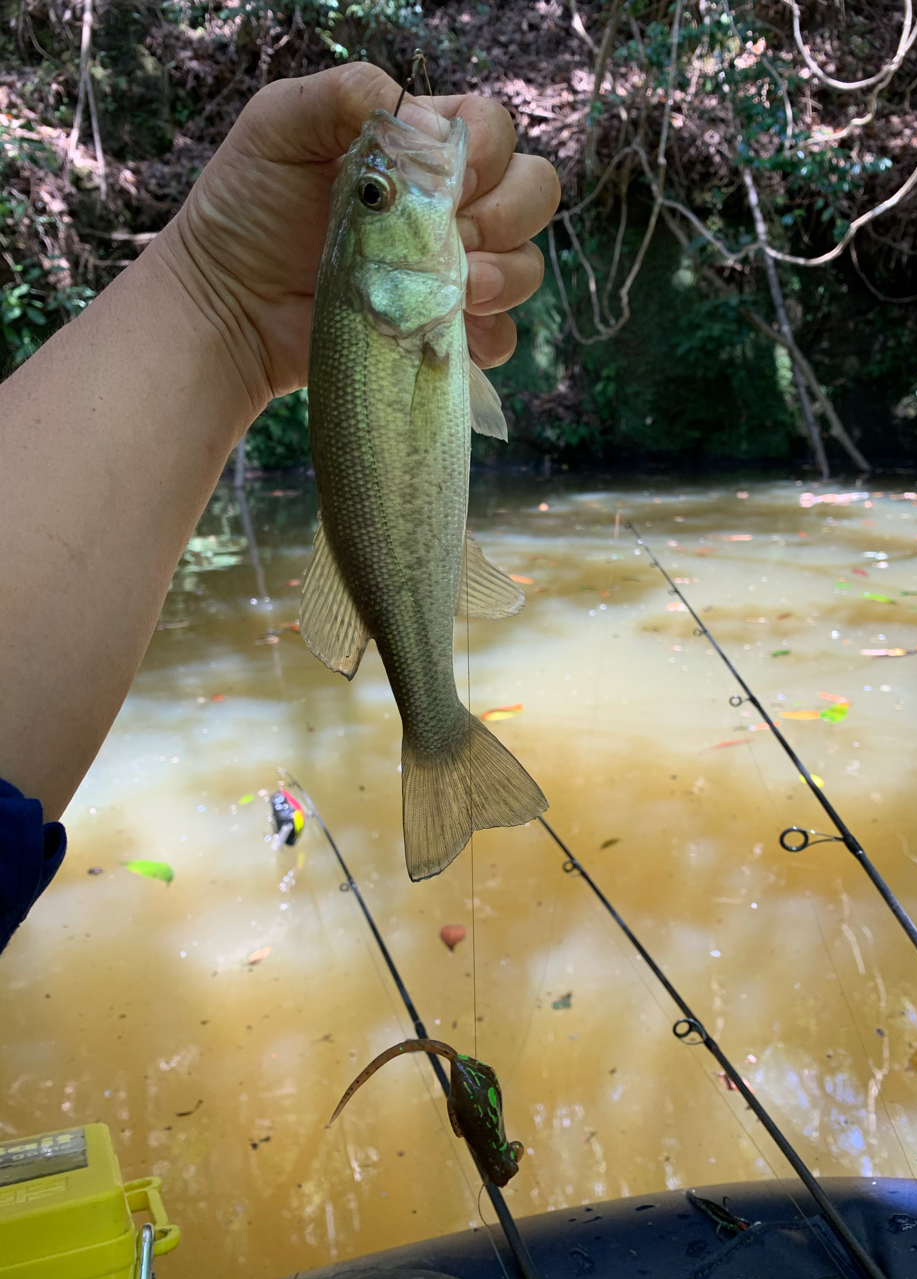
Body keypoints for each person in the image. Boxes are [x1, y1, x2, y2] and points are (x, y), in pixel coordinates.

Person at [0, 62, 561, 951]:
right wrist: (217, 292)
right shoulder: (398, 312)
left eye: (366, 195)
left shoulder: (384, 304)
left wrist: (216, 294)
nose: (384, 184)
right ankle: (439, 733)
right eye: (377, 196)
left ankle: (437, 730)